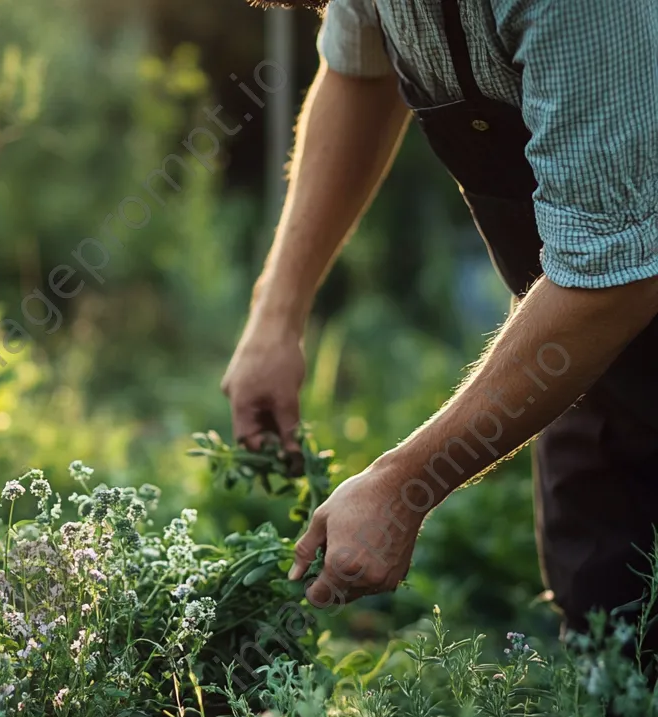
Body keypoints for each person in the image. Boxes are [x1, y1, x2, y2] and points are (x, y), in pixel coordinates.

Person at [222, 0, 658, 645]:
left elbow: (616, 276)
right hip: (581, 362)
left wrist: (405, 484)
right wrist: (275, 314)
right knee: (611, 632)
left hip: (597, 304)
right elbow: (357, 74)